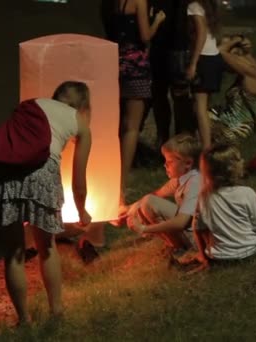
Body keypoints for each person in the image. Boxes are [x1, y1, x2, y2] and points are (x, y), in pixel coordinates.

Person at [0, 81, 93, 324]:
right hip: (42, 175)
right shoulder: (79, 121)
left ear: (54, 96)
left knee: (14, 253)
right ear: (83, 105)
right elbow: (79, 181)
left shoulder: (29, 106)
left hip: (4, 175)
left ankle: (24, 319)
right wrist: (82, 211)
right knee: (46, 248)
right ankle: (56, 312)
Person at [101, 0, 166, 208]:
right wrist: (157, 21)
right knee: (132, 128)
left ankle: (105, 174)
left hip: (113, 62)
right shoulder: (139, 1)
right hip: (136, 65)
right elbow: (145, 36)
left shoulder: (112, 3)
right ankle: (119, 186)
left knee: (116, 124)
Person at [190, 145, 256, 271]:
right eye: (239, 159)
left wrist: (204, 257)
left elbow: (198, 229)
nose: (243, 161)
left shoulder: (204, 196)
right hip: (252, 251)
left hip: (220, 258)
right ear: (232, 168)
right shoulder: (247, 193)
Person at [124, 133, 202, 257]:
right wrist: (128, 210)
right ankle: (177, 246)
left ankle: (180, 247)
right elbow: (157, 194)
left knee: (148, 203)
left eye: (169, 161)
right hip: (193, 229)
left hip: (200, 239)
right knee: (148, 203)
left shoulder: (194, 183)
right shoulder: (181, 178)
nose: (165, 165)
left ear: (188, 163)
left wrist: (144, 229)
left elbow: (181, 222)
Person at [144, 0, 193, 148]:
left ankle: (181, 141)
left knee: (179, 96)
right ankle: (163, 138)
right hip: (159, 47)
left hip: (178, 46)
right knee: (159, 94)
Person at [210, 35, 256, 144]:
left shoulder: (251, 73)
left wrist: (237, 40)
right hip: (230, 125)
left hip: (236, 131)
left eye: (229, 49)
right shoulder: (251, 71)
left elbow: (219, 52)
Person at [186, 0, 223, 150]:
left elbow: (200, 33)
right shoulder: (208, 6)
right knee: (204, 108)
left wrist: (193, 63)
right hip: (214, 56)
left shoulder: (193, 6)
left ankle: (206, 149)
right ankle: (205, 142)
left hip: (203, 58)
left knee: (200, 108)